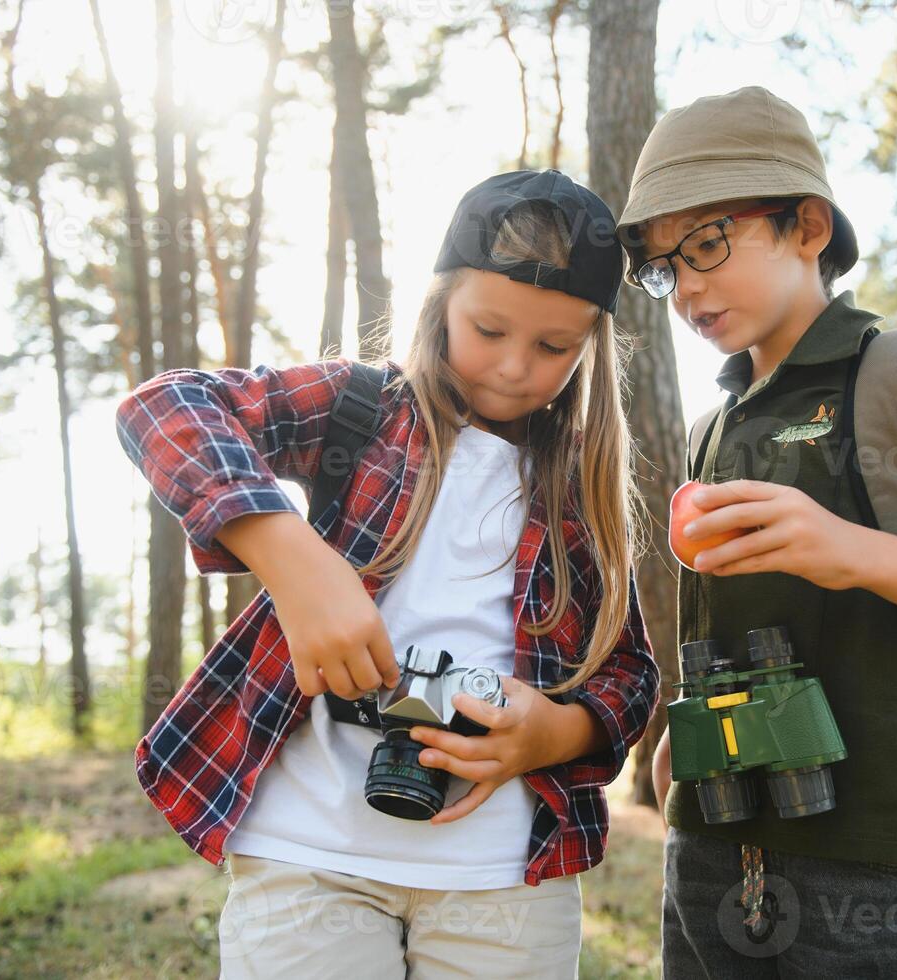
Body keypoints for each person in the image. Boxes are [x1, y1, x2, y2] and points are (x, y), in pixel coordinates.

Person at [115, 169, 659, 979]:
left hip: (503, 879)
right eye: (488, 329)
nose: (513, 367)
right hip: (308, 855)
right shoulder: (358, 411)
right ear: (439, 303)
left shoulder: (576, 484)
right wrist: (294, 562)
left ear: (590, 349)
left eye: (553, 348)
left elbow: (627, 677)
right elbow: (162, 408)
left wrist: (554, 732)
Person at [616, 86, 897, 978]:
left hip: (876, 859)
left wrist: (851, 550)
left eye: (706, 242)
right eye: (665, 266)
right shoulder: (718, 420)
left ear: (808, 226)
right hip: (710, 845)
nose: (687, 286)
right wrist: (681, 747)